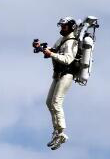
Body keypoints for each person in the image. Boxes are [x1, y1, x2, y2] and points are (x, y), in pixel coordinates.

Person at [34, 17, 79, 150]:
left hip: (67, 74)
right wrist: (41, 48)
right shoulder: (62, 40)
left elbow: (68, 59)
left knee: (56, 102)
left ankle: (61, 132)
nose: (62, 29)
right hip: (58, 75)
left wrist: (51, 54)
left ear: (71, 27)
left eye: (64, 26)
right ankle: (57, 132)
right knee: (49, 102)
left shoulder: (72, 42)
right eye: (61, 26)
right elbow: (53, 50)